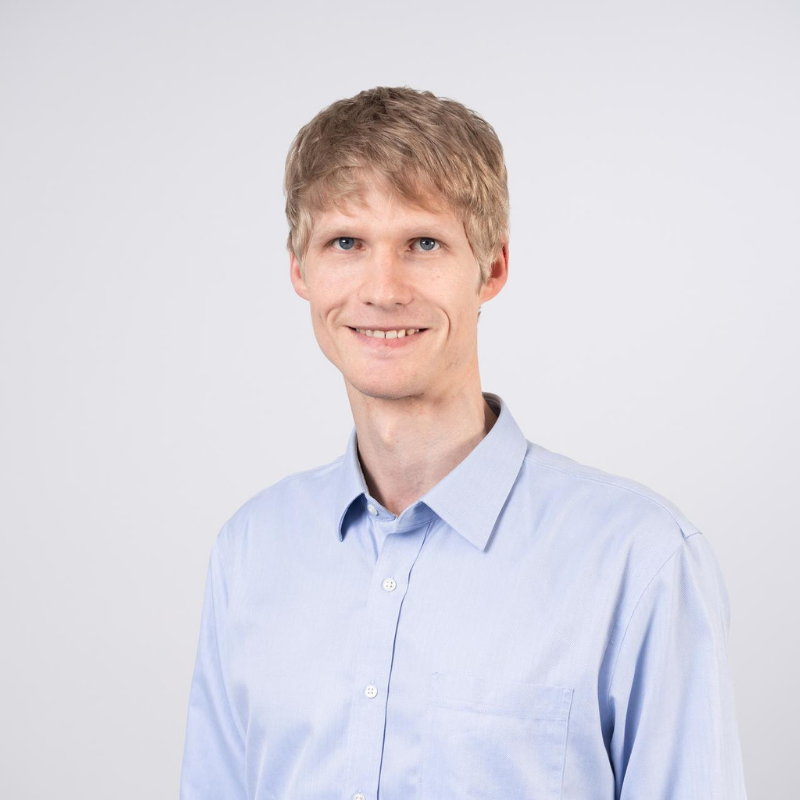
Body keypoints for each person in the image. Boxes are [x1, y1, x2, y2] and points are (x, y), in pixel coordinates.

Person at [179, 86, 747, 799]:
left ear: (492, 268)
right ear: (301, 269)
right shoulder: (251, 550)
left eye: (423, 243)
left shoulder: (641, 561)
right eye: (346, 243)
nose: (382, 289)